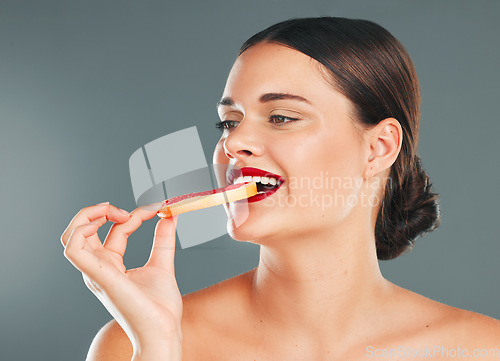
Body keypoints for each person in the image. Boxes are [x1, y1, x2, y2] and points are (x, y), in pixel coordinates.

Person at [61, 17, 500, 361]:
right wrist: (158, 348)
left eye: (282, 117)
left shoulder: (483, 350)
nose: (232, 144)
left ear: (378, 148)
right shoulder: (132, 344)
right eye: (229, 123)